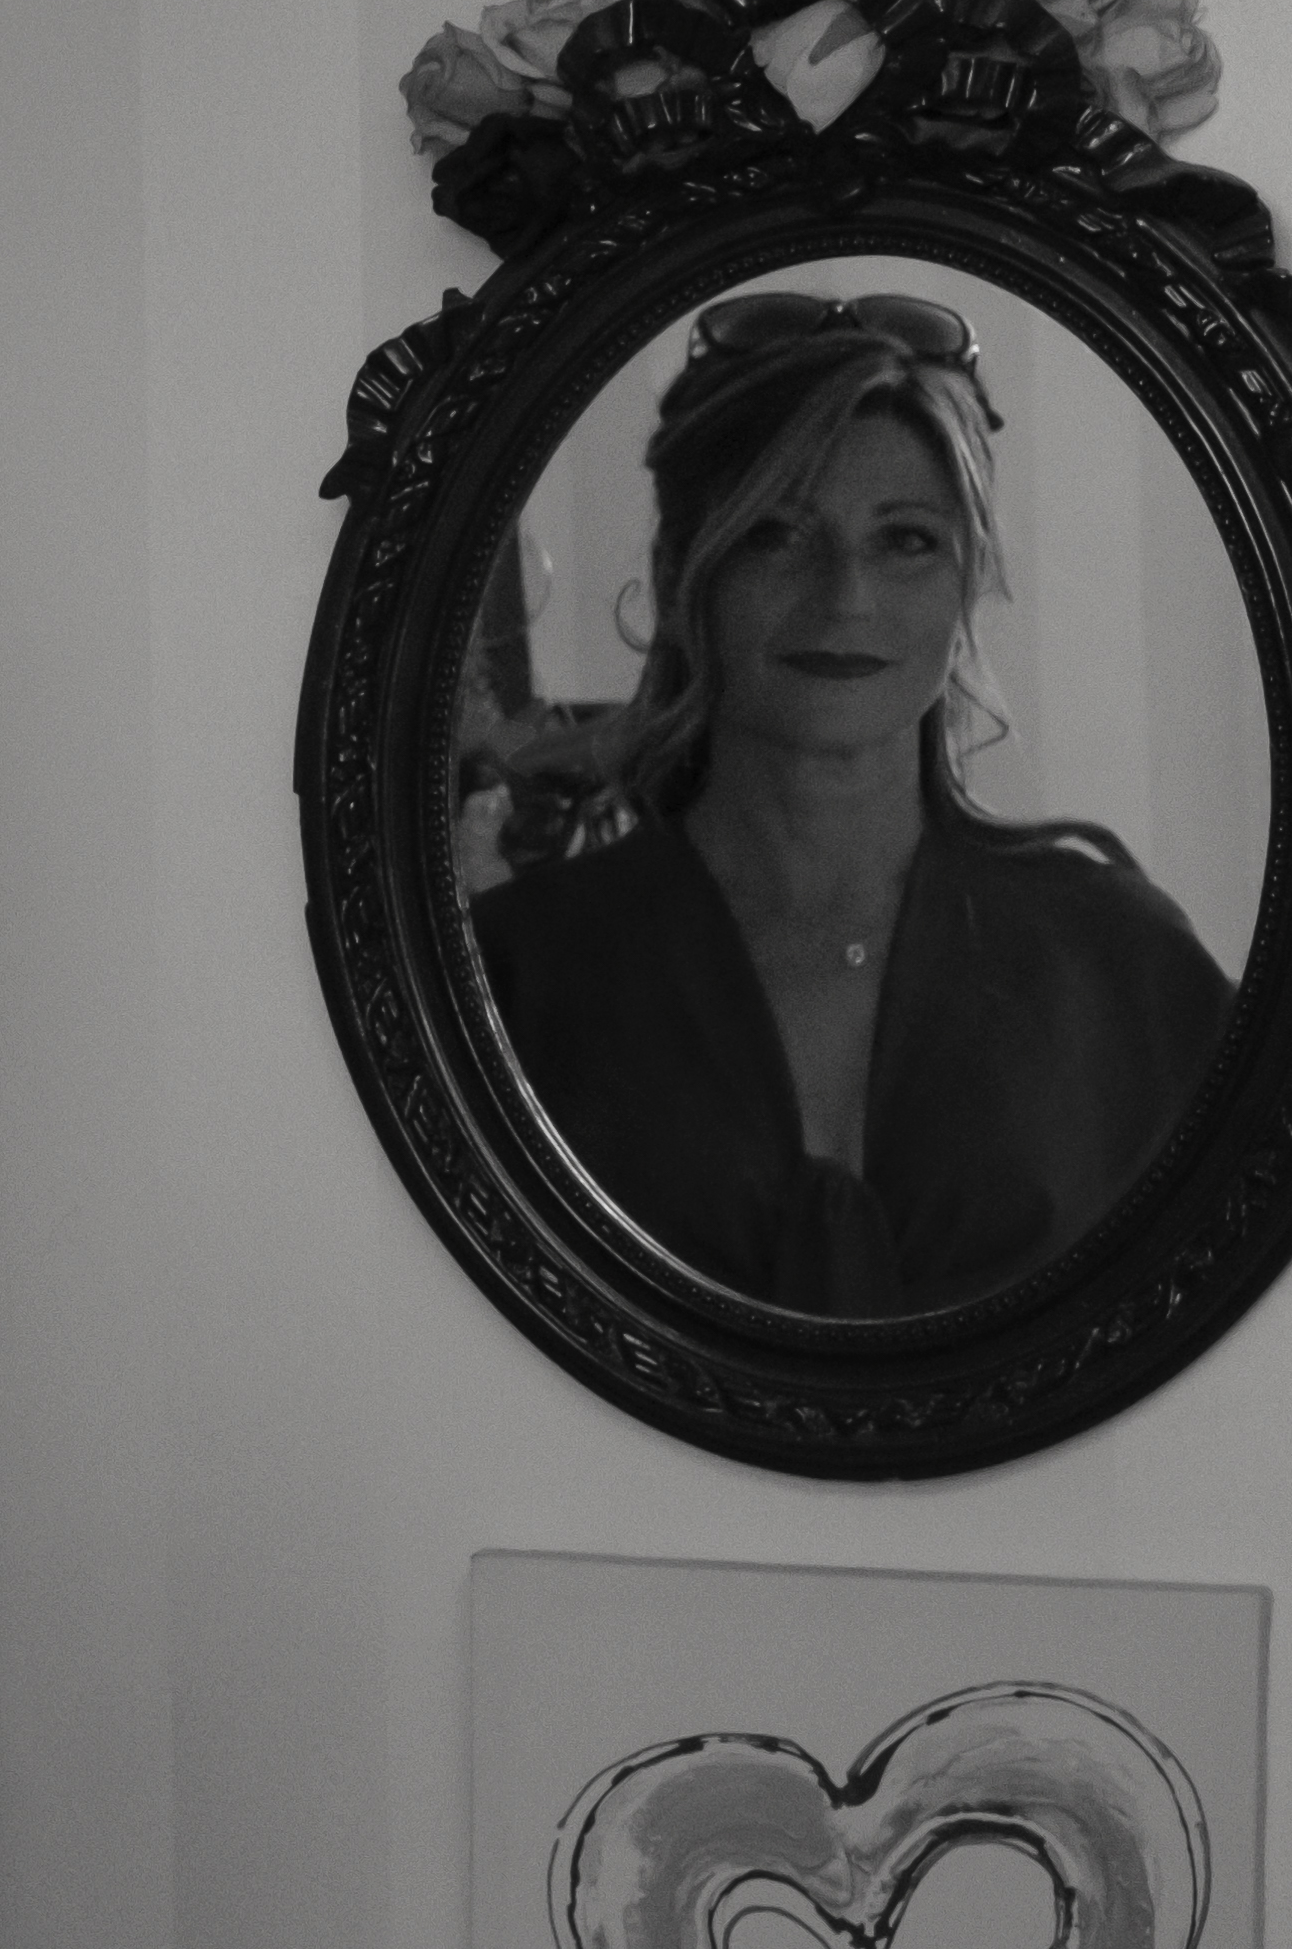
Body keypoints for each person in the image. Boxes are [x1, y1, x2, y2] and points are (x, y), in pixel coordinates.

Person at [465, 291, 1236, 1316]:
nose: (846, 596)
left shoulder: (1122, 965)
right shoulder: (518, 970)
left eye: (906, 539)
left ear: (968, 583)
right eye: (778, 533)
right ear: (678, 570)